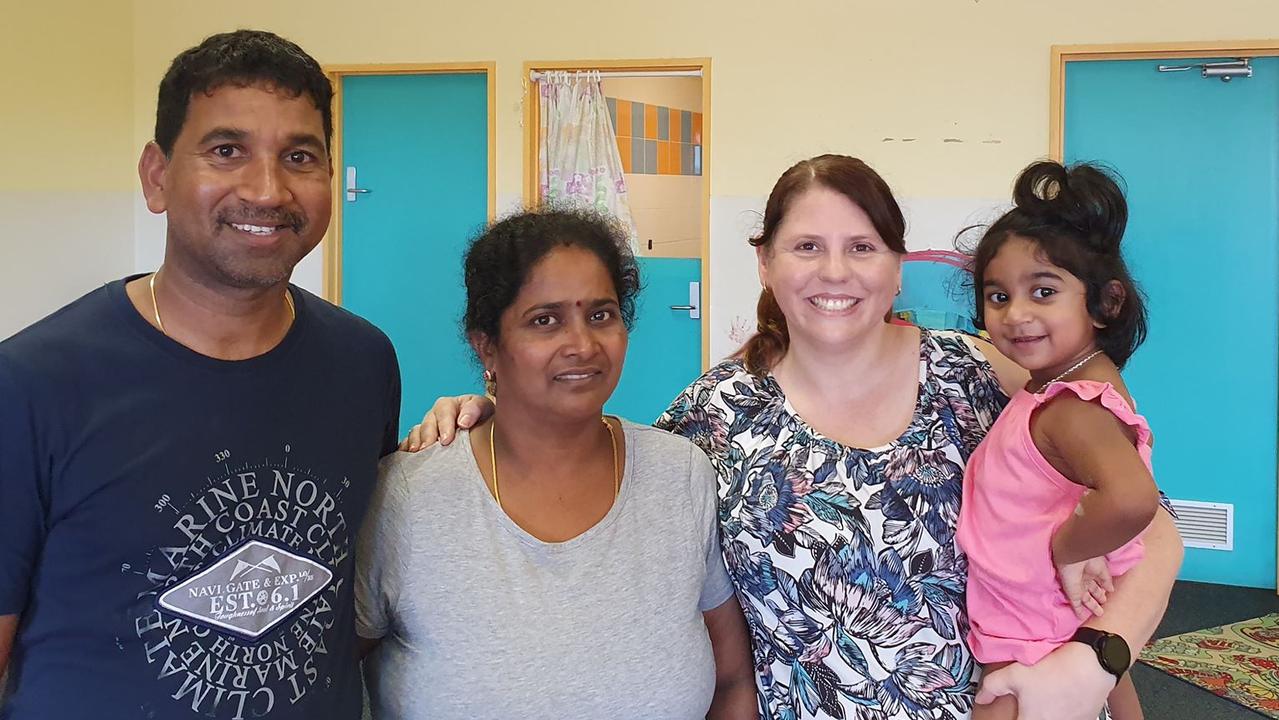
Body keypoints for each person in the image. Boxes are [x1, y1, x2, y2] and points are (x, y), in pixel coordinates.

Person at [407, 154, 1183, 720]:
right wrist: (491, 411)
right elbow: (602, 466)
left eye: (862, 247)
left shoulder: (977, 375)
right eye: (806, 246)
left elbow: (1156, 528)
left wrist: (1096, 661)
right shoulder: (715, 411)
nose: (835, 272)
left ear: (896, 264)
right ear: (766, 262)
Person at [0, 30, 400, 720]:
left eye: (299, 156)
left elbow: (359, 588)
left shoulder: (363, 362)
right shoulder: (32, 382)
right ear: (157, 176)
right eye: (226, 151)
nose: (267, 189)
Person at [354, 209, 757, 719]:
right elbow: (323, 679)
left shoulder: (680, 476)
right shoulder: (411, 496)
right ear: (487, 346)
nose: (582, 345)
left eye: (601, 315)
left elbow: (732, 680)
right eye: (544, 320)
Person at [957, 161, 1160, 720]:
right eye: (997, 297)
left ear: (1106, 303)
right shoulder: (1069, 387)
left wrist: (1072, 550)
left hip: (1028, 633)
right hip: (1056, 625)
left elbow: (1134, 498)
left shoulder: (1072, 408)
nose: (1016, 314)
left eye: (1043, 292)